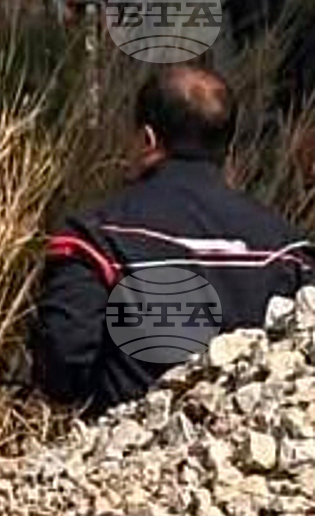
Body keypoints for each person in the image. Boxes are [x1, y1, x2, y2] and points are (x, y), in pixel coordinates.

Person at [31, 63, 315, 415]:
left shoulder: (96, 238)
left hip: (132, 443)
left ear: (147, 140)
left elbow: (62, 369)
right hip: (255, 443)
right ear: (227, 148)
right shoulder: (288, 249)